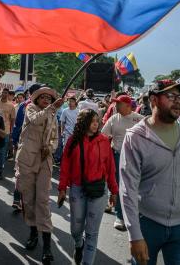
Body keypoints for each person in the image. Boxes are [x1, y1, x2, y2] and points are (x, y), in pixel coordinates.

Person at [120, 79, 180, 265]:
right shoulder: (135, 137)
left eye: (179, 97)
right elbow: (128, 189)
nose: (177, 101)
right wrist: (134, 235)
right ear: (154, 100)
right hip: (148, 225)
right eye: (170, 96)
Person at [58, 109, 117, 265]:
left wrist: (114, 191)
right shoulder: (73, 141)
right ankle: (79, 244)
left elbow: (111, 168)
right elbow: (65, 166)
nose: (96, 124)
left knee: (92, 233)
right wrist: (62, 188)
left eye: (97, 121)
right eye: (92, 121)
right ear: (83, 122)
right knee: (75, 229)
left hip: (99, 190)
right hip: (78, 188)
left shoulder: (104, 141)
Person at [15, 85, 62, 263]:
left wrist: (49, 147)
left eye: (49, 99)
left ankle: (47, 247)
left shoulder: (53, 115)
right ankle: (33, 232)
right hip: (27, 160)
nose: (46, 101)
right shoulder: (30, 108)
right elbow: (34, 120)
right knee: (28, 200)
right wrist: (52, 108)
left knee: (42, 201)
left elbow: (55, 138)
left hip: (44, 162)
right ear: (36, 99)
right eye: (43, 98)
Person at [101, 94, 142, 231]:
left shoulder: (139, 119)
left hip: (135, 159)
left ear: (128, 106)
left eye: (119, 104)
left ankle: (134, 214)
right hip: (117, 156)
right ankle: (120, 216)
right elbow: (103, 136)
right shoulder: (114, 119)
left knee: (133, 186)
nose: (116, 106)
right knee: (118, 185)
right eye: (115, 103)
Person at [0, 88, 15, 179]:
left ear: (8, 94)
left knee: (2, 153)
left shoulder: (11, 106)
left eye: (6, 93)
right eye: (3, 92)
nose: (4, 94)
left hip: (5, 132)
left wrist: (11, 132)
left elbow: (12, 120)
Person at [58, 96, 79, 163]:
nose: (70, 103)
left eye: (72, 101)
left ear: (75, 102)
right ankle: (65, 162)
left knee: (75, 148)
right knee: (65, 147)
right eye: (69, 101)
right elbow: (62, 122)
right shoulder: (65, 111)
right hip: (67, 132)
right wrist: (62, 131)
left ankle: (73, 162)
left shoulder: (78, 111)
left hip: (76, 133)